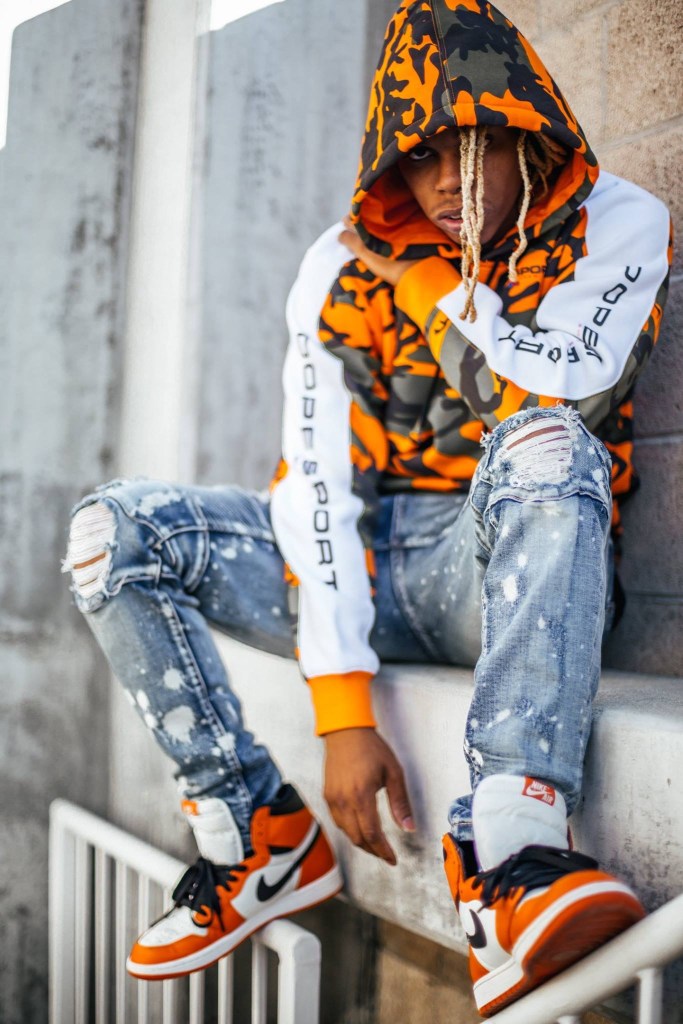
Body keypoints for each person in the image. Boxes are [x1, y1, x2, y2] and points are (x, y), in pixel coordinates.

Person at [63, 0, 672, 1014]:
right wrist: (342, 712)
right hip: (365, 561)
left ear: (526, 130)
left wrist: (432, 283)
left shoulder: (616, 224)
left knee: (545, 438)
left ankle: (514, 858)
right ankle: (251, 832)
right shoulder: (337, 267)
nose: (443, 182)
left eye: (469, 145)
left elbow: (555, 401)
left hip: (502, 562)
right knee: (115, 531)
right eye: (417, 155)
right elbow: (315, 487)